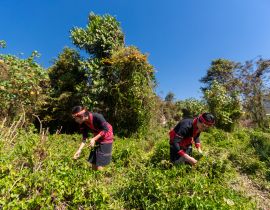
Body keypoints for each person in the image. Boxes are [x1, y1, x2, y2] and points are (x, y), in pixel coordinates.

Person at [72, 106, 114, 171]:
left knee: (100, 161)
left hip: (106, 137)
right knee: (94, 160)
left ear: (82, 116)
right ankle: (94, 177)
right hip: (97, 137)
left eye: (76, 118)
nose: (75, 120)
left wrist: (94, 139)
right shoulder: (83, 123)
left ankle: (100, 179)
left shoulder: (97, 116)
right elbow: (84, 138)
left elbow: (106, 129)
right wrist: (79, 150)